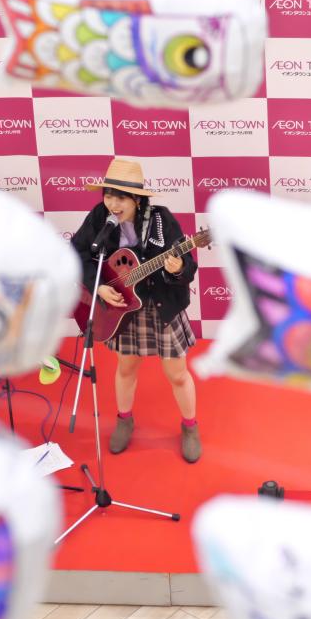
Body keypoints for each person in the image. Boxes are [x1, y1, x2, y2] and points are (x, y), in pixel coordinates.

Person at [70, 158, 201, 463]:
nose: (113, 204)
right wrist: (98, 287)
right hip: (120, 307)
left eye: (121, 198)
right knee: (126, 368)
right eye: (109, 196)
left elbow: (188, 267)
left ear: (137, 199)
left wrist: (178, 268)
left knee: (177, 374)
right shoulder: (99, 217)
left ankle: (190, 427)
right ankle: (125, 420)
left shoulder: (161, 219)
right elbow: (77, 253)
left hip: (159, 305)